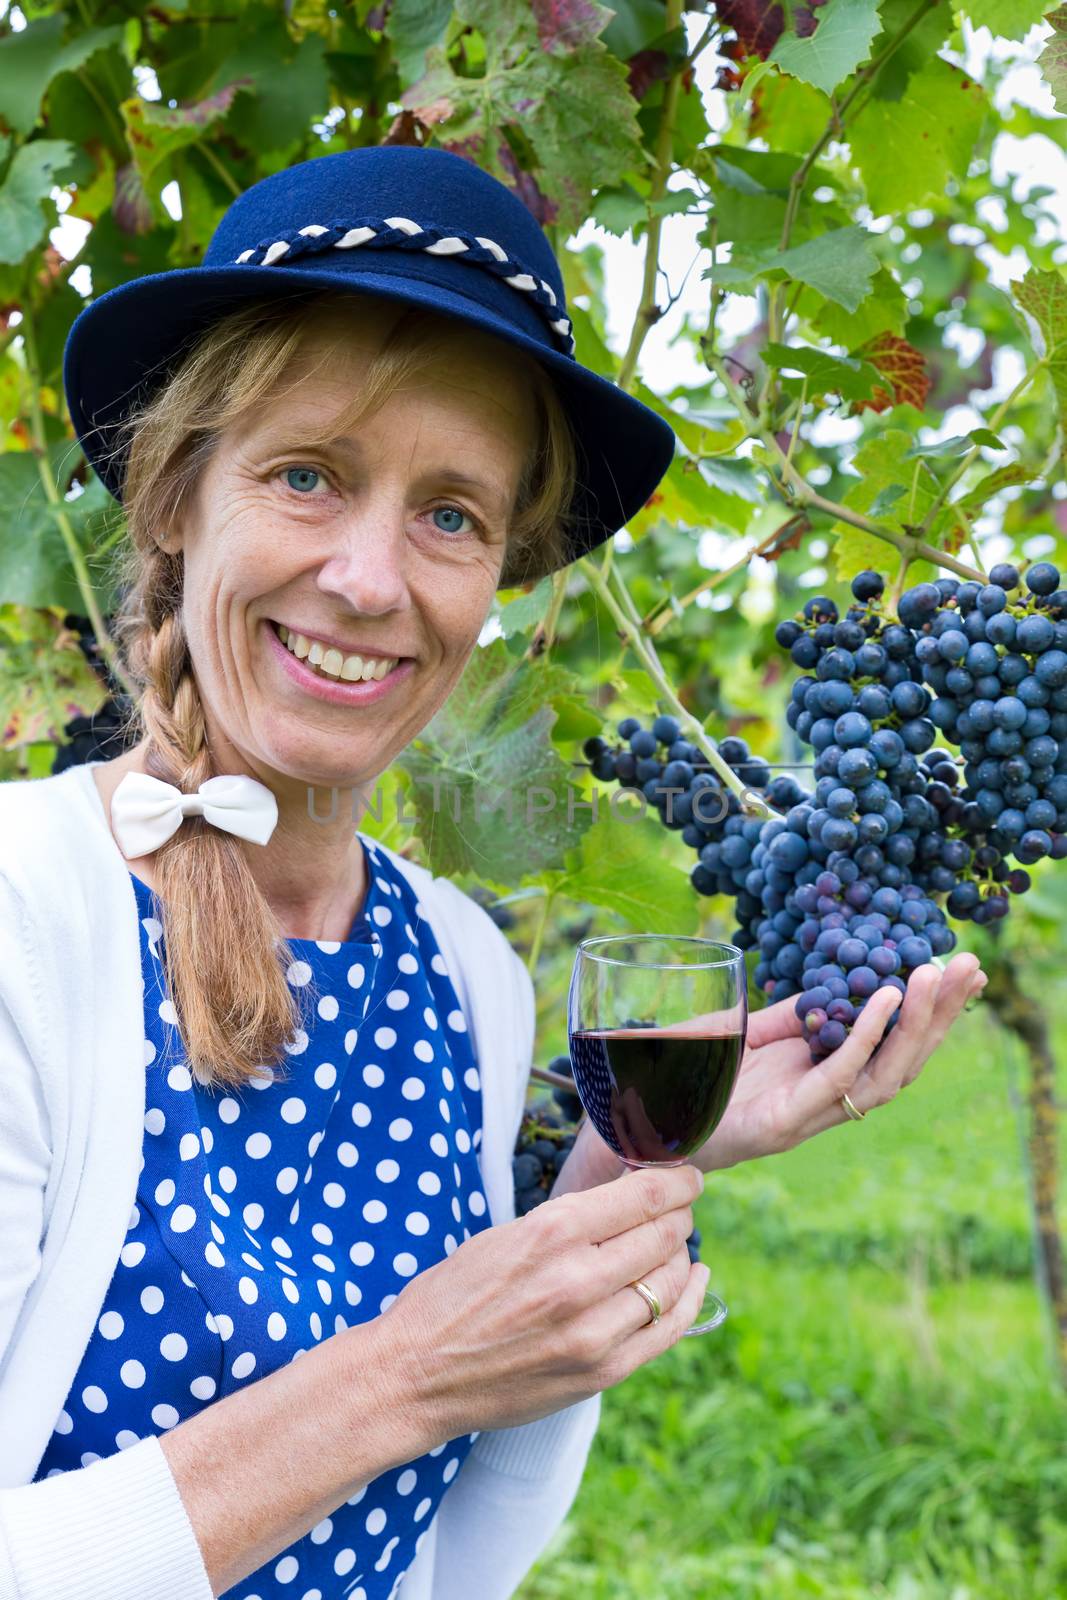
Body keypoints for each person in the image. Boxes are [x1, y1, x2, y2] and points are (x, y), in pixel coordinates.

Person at [0, 145, 985, 1600]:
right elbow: (421, 1390)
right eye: (306, 476)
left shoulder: (458, 970)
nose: (372, 581)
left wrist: (644, 1156)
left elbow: (453, 1548)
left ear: (502, 577)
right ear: (170, 499)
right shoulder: (28, 915)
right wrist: (406, 1374)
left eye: (452, 515)